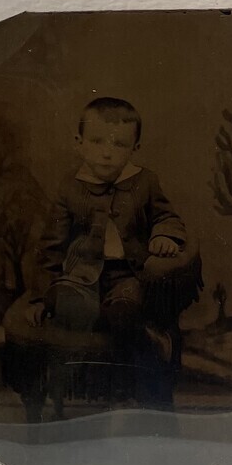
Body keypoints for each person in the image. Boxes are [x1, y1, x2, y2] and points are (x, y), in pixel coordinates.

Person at [25, 97, 186, 349]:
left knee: (127, 306)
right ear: (79, 144)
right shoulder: (70, 186)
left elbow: (166, 216)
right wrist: (39, 298)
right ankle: (104, 317)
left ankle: (129, 322)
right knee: (64, 299)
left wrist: (163, 236)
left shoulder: (145, 182)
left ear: (135, 148)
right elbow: (51, 245)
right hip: (82, 275)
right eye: (96, 141)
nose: (107, 153)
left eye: (119, 144)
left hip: (129, 275)